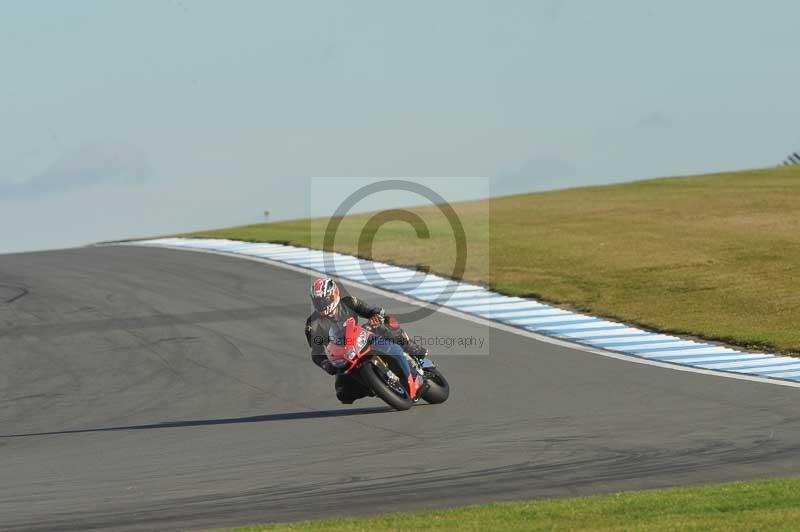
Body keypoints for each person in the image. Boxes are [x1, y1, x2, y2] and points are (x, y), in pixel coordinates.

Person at [304, 277, 428, 404]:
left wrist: (376, 316)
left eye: (325, 299)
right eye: (318, 301)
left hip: (362, 338)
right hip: (343, 357)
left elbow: (371, 310)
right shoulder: (313, 324)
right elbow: (316, 353)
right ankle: (375, 388)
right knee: (343, 393)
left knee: (385, 324)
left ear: (334, 294)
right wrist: (325, 364)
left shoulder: (348, 303)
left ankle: (413, 349)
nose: (322, 303)